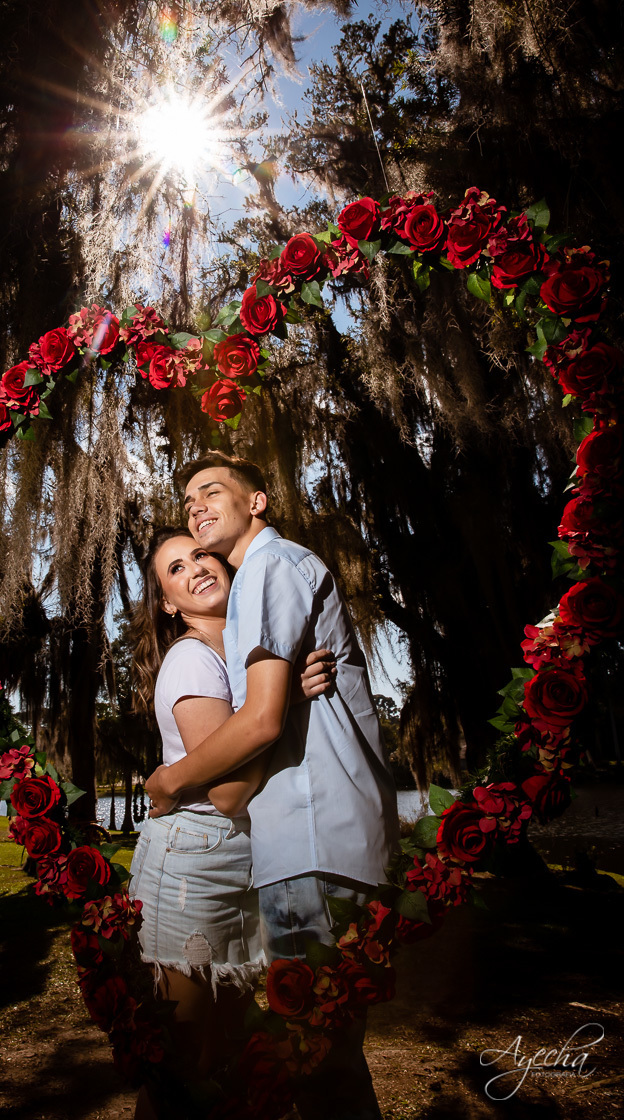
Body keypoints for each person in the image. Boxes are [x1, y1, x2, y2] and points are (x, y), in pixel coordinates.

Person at [145, 454, 400, 1119]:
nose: (195, 506)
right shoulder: (214, 637)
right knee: (308, 1056)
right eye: (186, 500)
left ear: (257, 501)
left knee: (316, 1057)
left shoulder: (267, 567)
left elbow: (257, 724)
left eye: (211, 491)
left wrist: (171, 779)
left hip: (314, 838)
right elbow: (264, 720)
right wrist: (281, 702)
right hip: (296, 845)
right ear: (167, 604)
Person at [128, 526, 334, 1106]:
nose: (195, 567)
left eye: (200, 554)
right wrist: (282, 703)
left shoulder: (247, 649)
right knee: (180, 1057)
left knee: (234, 1053)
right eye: (175, 569)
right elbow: (228, 793)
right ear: (168, 603)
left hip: (244, 861)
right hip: (191, 864)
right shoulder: (192, 660)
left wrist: (275, 696)